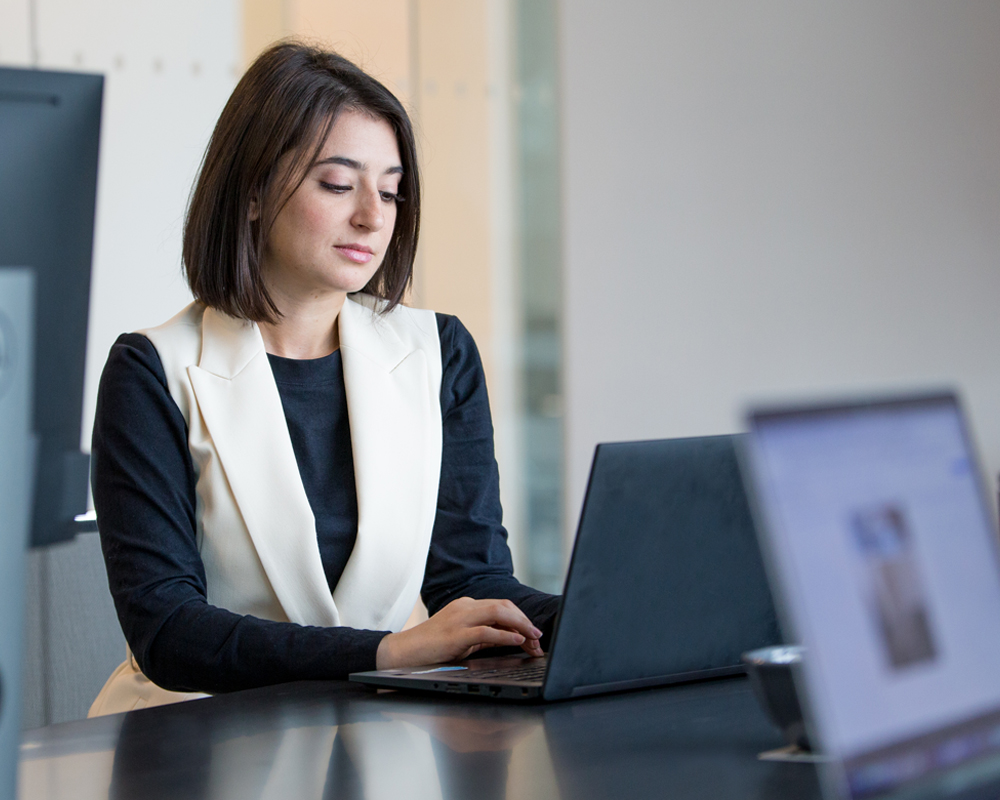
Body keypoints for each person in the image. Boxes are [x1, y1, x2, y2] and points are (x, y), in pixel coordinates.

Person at [89, 41, 559, 716]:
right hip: (196, 738)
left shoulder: (438, 352)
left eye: (391, 190)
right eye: (338, 184)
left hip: (381, 732)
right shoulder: (153, 371)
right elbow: (168, 631)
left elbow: (470, 579)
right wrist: (385, 653)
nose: (373, 214)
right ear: (252, 193)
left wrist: (608, 620)